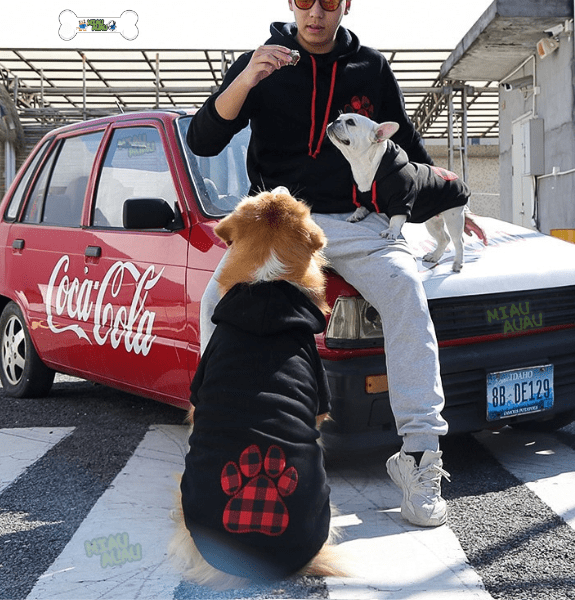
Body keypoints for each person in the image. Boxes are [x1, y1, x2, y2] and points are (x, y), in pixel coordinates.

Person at [187, 0, 454, 528]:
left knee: (407, 293)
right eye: (304, 0)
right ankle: (218, 437)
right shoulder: (263, 61)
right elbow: (203, 138)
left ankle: (420, 458)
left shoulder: (371, 68)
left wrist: (444, 198)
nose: (315, 12)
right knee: (215, 300)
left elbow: (406, 149)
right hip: (281, 218)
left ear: (346, 4)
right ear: (291, 3)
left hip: (359, 221)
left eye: (327, 1)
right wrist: (244, 79)